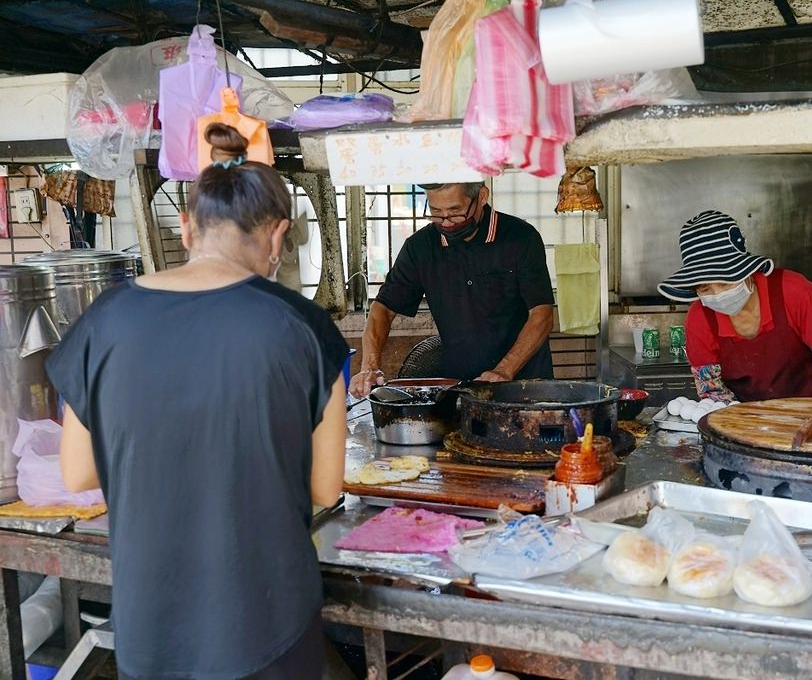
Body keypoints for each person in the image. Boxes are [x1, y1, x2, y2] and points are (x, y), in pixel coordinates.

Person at [46, 123, 348, 680]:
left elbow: (77, 470)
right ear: (279, 235)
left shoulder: (102, 323)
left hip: (152, 623)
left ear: (186, 228)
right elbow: (326, 488)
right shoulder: (303, 328)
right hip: (267, 622)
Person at [350, 181, 555, 397]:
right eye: (436, 212)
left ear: (482, 197)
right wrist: (369, 367)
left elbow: (541, 315)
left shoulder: (521, 238)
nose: (446, 222)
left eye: (455, 212)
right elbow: (383, 308)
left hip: (526, 384)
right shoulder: (420, 247)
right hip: (459, 388)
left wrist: (504, 370)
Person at [658, 210, 812, 403]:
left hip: (809, 408)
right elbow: (712, 389)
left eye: (725, 283)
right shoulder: (700, 320)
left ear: (746, 271)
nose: (718, 295)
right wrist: (741, 422)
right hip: (742, 418)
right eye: (705, 288)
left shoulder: (793, 291)